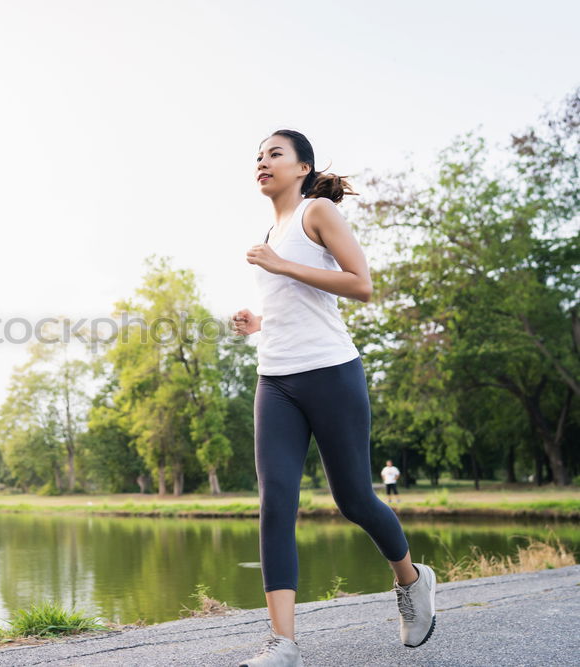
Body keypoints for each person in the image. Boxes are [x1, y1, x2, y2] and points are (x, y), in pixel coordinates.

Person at [230, 129, 436, 666]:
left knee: (355, 501)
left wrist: (280, 265)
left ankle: (412, 581)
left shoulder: (316, 212)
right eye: (258, 156)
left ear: (302, 168)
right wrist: (257, 321)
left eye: (275, 153)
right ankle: (284, 644)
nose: (262, 162)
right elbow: (293, 301)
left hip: (332, 373)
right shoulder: (269, 230)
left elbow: (361, 283)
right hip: (275, 378)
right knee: (276, 502)